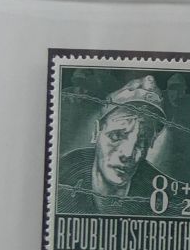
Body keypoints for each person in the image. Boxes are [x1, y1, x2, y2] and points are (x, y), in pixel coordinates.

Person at [58, 74, 167, 214]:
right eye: (116, 136)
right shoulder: (62, 174)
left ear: (151, 143)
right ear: (96, 132)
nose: (128, 153)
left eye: (142, 141)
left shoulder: (163, 197)